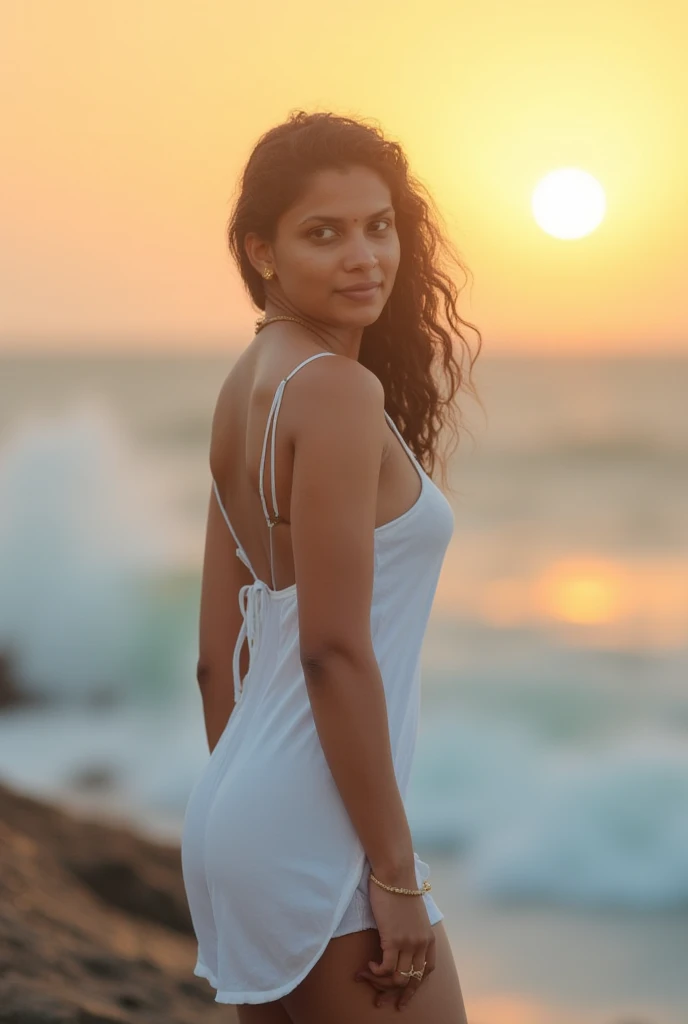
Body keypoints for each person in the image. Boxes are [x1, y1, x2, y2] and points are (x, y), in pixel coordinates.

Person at [181, 110, 481, 1023]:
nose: (365, 257)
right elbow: (333, 651)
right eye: (325, 233)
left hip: (236, 813)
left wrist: (250, 824)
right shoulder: (338, 392)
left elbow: (212, 664)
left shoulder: (246, 390)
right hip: (319, 831)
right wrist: (392, 875)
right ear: (261, 252)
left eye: (379, 226)